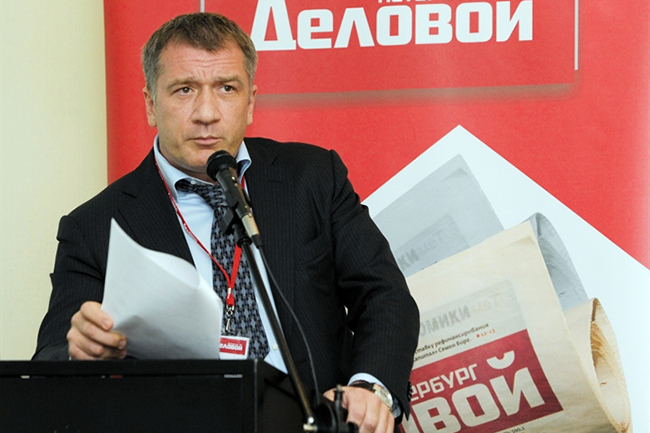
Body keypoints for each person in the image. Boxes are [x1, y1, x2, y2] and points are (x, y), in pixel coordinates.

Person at [33, 12, 419, 433]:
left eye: (226, 88)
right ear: (150, 103)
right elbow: (50, 359)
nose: (206, 113)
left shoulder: (313, 177)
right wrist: (80, 353)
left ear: (250, 102)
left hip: (320, 423)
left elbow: (384, 295)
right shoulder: (94, 226)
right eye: (184, 89)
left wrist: (370, 389)